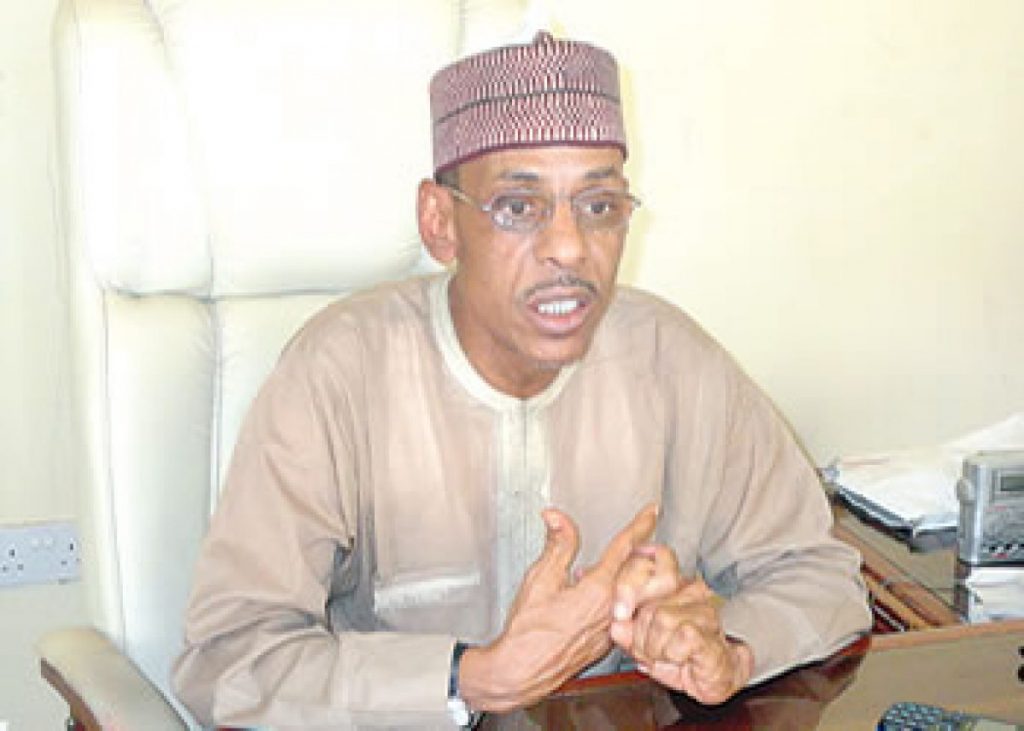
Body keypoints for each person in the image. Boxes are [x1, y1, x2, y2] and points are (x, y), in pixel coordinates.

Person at [173, 31, 871, 729]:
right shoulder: (338, 374)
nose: (569, 247)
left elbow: (820, 576)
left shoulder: (674, 362)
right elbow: (228, 661)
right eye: (518, 206)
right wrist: (471, 677)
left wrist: (726, 647)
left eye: (599, 206)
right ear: (439, 222)